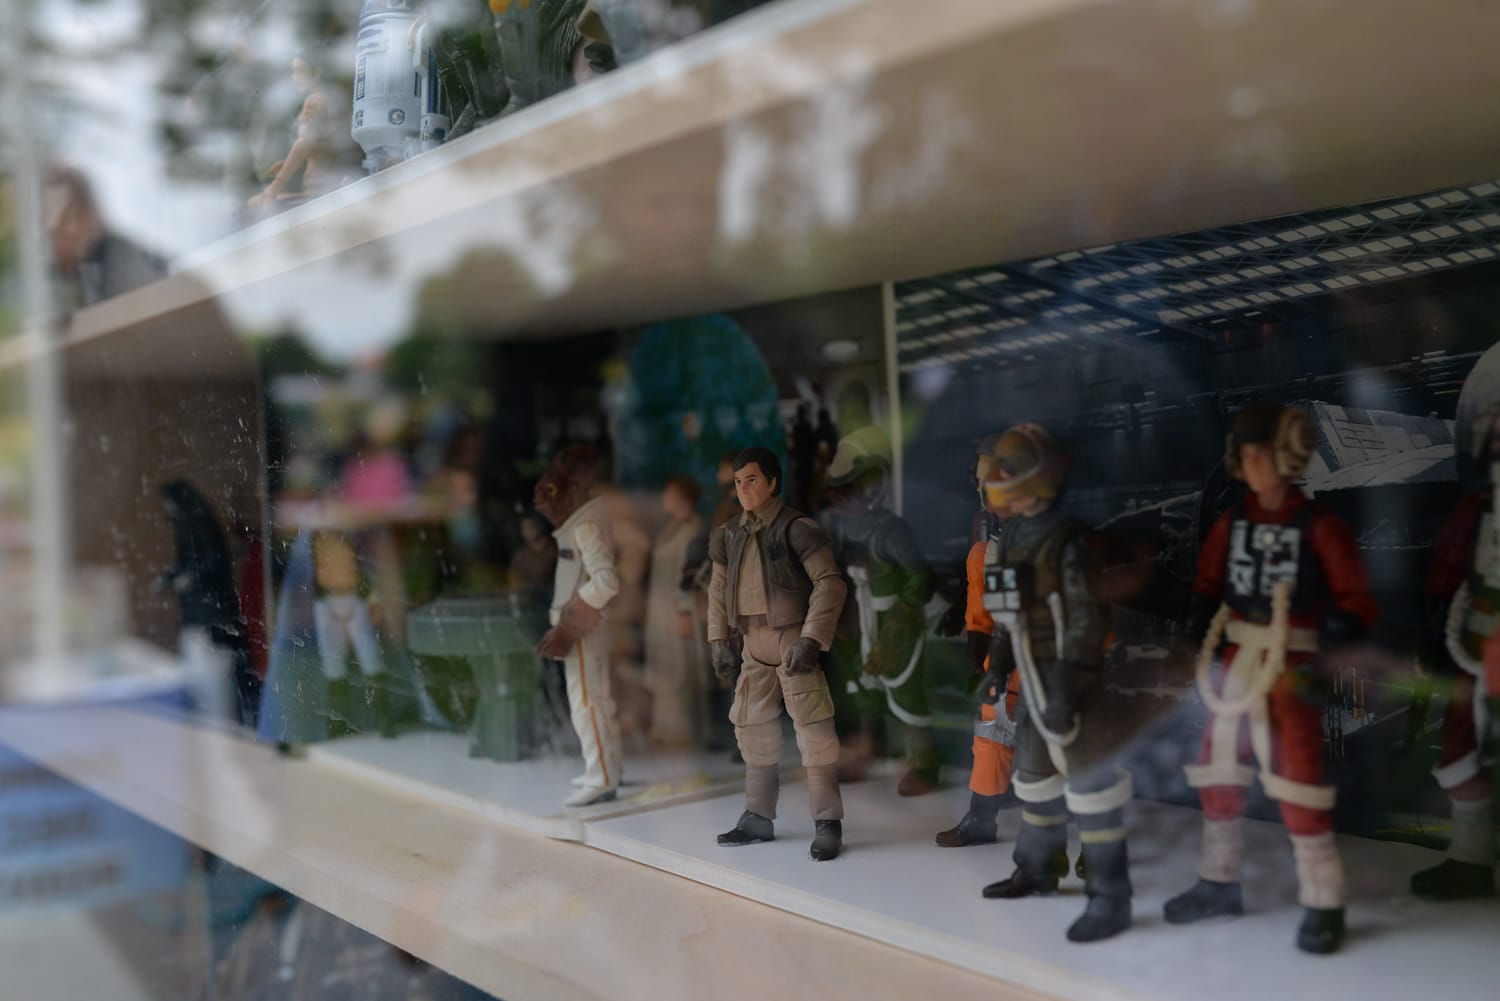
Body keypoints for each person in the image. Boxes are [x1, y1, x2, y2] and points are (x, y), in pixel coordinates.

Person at [1163, 403, 1377, 955]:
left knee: (1299, 776)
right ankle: (1218, 880)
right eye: (1247, 454)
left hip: (1292, 663)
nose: (1253, 464)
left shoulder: (1320, 527)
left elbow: (1355, 594)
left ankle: (1324, 899)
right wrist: (1198, 613)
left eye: (1262, 453)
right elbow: (1210, 578)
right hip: (1237, 659)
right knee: (1217, 766)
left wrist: (1342, 625)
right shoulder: (1234, 523)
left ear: (1289, 456)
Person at [975, 424, 1132, 944]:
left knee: (1092, 789)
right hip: (1034, 676)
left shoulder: (1070, 541)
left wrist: (1067, 685)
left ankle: (1110, 896)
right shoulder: (1013, 538)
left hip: (1073, 682)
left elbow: (1086, 619)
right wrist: (997, 668)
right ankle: (1038, 867)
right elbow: (1005, 613)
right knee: (1035, 781)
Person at [707, 447, 849, 860]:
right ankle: (757, 816)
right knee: (752, 728)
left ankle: (827, 822)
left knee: (814, 730)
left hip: (791, 638)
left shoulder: (796, 529)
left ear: (772, 482)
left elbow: (830, 582)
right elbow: (717, 590)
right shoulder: (728, 534)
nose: (743, 489)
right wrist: (718, 640)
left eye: (752, 480)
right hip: (751, 643)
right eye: (738, 482)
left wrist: (811, 638)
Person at [1410, 400, 1500, 900]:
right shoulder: (1475, 512)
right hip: (1479, 651)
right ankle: (1470, 858)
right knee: (1462, 748)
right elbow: (1445, 575)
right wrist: (1433, 641)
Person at [823, 427, 939, 796]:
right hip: (860, 619)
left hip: (894, 620)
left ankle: (923, 761)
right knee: (863, 688)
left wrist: (902, 618)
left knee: (905, 689)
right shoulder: (842, 529)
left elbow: (920, 576)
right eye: (840, 490)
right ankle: (869, 747)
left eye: (853, 487)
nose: (845, 498)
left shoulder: (892, 530)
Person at [937, 432, 1024, 846]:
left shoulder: (1046, 542)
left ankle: (1091, 832)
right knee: (994, 727)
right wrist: (978, 637)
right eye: (982, 482)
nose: (985, 490)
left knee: (1063, 737)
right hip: (1008, 655)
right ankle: (983, 814)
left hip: (1045, 654)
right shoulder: (988, 546)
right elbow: (984, 594)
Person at [534, 445, 625, 807]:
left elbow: (606, 580)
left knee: (587, 703)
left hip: (583, 628)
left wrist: (572, 617)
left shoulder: (585, 525)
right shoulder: (583, 519)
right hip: (584, 626)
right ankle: (606, 767)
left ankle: (601, 777)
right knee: (598, 700)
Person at [44, 165, 165, 313]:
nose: (63, 229)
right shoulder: (47, 275)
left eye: (70, 216)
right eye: (50, 217)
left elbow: (140, 312)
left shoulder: (119, 255)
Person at [645, 475, 708, 747]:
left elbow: (690, 572)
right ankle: (666, 726)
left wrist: (683, 609)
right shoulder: (672, 527)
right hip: (661, 606)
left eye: (669, 494)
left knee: (681, 666)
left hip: (679, 608)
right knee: (665, 665)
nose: (664, 498)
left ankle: (685, 728)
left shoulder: (692, 529)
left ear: (684, 498)